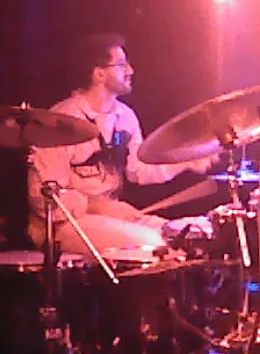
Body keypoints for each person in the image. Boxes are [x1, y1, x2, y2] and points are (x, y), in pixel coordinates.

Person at [27, 32, 215, 256]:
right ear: (99, 73)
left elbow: (139, 170)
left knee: (183, 233)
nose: (130, 70)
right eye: (122, 64)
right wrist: (96, 206)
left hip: (112, 217)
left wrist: (186, 161)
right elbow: (44, 198)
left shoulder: (126, 116)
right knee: (152, 243)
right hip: (66, 223)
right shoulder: (60, 121)